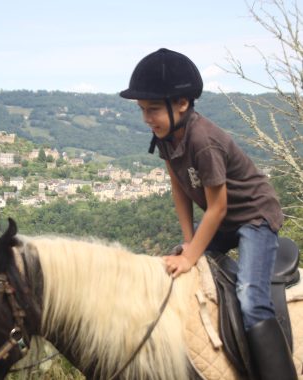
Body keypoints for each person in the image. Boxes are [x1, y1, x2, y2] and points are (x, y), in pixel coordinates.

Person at [120, 48, 297, 380]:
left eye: (153, 109)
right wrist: (188, 244)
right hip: (226, 218)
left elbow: (218, 207)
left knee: (251, 297)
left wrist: (192, 256)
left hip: (254, 215)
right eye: (143, 110)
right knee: (181, 257)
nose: (147, 118)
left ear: (182, 104)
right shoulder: (166, 136)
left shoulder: (203, 140)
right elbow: (180, 189)